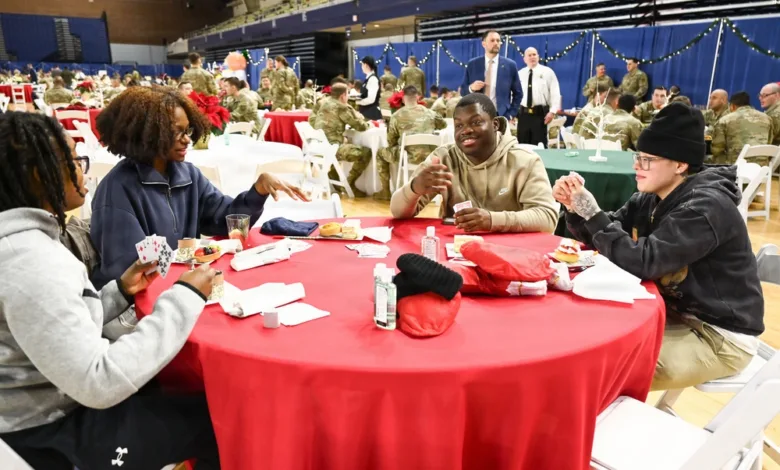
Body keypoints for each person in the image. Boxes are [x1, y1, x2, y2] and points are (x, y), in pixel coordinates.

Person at [0, 112, 222, 469]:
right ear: (40, 173)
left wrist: (117, 291)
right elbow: (99, 381)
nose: (83, 170)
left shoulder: (23, 244)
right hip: (53, 436)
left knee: (174, 389)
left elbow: (60, 330)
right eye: (75, 159)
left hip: (48, 410)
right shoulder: (29, 262)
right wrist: (183, 298)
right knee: (218, 419)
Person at [553, 103, 764, 391]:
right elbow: (609, 234)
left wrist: (592, 214)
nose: (636, 165)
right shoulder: (653, 196)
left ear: (680, 164)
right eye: (637, 156)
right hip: (669, 312)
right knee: (580, 336)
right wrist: (577, 210)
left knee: (600, 368)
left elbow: (645, 262)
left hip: (718, 335)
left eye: (647, 159)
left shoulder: (705, 206)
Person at [89, 87, 307, 288]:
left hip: (185, 288)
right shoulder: (116, 190)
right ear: (147, 133)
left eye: (188, 131)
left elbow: (225, 220)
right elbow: (128, 272)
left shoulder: (188, 174)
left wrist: (258, 191)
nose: (187, 140)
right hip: (141, 306)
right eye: (177, 132)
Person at [390, 93, 558, 233]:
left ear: (495, 125)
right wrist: (413, 189)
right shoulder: (443, 158)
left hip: (512, 254)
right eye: (459, 125)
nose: (466, 130)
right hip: (456, 253)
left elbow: (547, 218)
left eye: (476, 122)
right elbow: (397, 212)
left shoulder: (525, 161)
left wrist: (492, 220)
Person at [375, 86, 447, 200]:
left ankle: (385, 192)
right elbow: (443, 125)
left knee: (380, 153)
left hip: (408, 157)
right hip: (431, 157)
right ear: (417, 97)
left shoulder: (396, 116)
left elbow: (391, 141)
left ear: (403, 99)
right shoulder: (431, 113)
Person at [311, 83, 372, 197]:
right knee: (365, 152)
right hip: (331, 149)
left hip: (317, 147)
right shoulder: (341, 107)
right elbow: (360, 126)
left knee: (340, 146)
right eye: (348, 94)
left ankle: (335, 181)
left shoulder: (323, 102)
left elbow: (312, 120)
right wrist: (370, 125)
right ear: (343, 95)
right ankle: (350, 183)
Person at [460, 30, 522, 124]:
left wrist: (510, 114)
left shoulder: (510, 65)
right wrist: (471, 88)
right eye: (492, 40)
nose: (496, 43)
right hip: (477, 115)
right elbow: (463, 91)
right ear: (484, 44)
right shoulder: (473, 64)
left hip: (501, 116)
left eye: (498, 40)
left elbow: (518, 94)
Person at [711, 91, 773, 165]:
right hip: (761, 167)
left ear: (732, 106)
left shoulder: (725, 120)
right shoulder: (767, 118)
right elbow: (769, 141)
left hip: (736, 166)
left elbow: (716, 150)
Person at [517, 47, 561, 146]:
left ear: (538, 57)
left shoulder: (547, 72)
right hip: (523, 115)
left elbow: (555, 92)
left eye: (534, 54)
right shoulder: (520, 74)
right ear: (524, 59)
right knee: (523, 146)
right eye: (529, 55)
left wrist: (552, 111)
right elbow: (515, 94)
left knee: (540, 145)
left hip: (540, 115)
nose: (532, 57)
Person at [356, 56, 382, 120]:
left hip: (371, 114)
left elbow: (371, 99)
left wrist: (357, 102)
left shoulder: (373, 79)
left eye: (362, 65)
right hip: (365, 112)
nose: (361, 67)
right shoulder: (368, 78)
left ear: (366, 65)